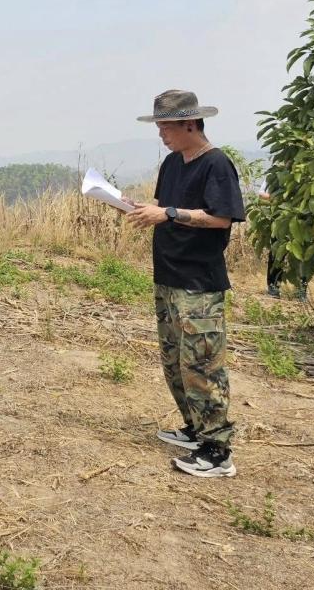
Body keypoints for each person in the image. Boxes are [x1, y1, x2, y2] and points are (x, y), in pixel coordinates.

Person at [126, 89, 246, 479]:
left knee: (202, 365)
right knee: (175, 362)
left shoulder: (217, 165)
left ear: (189, 124)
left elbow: (221, 218)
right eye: (159, 126)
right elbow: (165, 209)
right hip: (168, 275)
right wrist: (136, 208)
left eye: (166, 127)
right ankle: (195, 429)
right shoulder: (173, 164)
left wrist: (171, 212)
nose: (162, 134)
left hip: (199, 281)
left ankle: (217, 452)